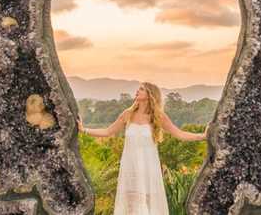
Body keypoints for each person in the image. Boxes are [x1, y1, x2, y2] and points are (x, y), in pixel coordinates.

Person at [77, 81, 208, 215]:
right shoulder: (128, 114)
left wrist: (203, 136)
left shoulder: (157, 117)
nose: (137, 91)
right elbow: (108, 131)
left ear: (150, 95)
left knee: (147, 205)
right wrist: (84, 130)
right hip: (130, 166)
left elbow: (179, 134)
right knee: (131, 204)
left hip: (148, 168)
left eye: (141, 89)